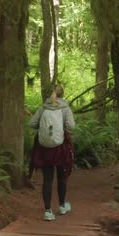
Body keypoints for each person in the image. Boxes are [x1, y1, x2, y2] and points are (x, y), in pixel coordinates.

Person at [29, 85, 76, 221]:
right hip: (61, 148)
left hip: (44, 148)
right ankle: (62, 206)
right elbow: (71, 127)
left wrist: (44, 127)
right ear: (62, 95)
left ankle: (48, 211)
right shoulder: (65, 108)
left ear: (50, 95)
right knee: (62, 177)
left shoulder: (44, 107)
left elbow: (32, 124)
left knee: (47, 179)